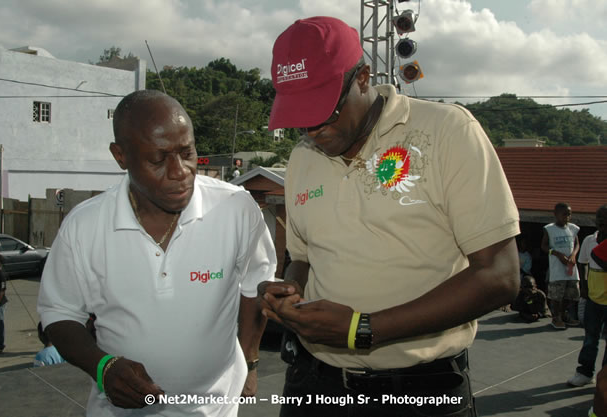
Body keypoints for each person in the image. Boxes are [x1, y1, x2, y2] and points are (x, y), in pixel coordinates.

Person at [260, 16, 520, 417]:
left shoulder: (447, 131)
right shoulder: (301, 159)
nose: (313, 130)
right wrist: (288, 293)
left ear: (363, 77)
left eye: (324, 110)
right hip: (313, 385)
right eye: (299, 115)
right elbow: (304, 259)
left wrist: (365, 328)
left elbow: (499, 276)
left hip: (420, 390)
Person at [37, 90, 276, 416]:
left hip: (214, 409)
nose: (180, 171)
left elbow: (255, 287)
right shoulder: (84, 226)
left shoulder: (235, 209)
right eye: (158, 159)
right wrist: (102, 367)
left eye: (187, 152)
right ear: (120, 156)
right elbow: (59, 314)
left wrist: (250, 363)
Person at [567, 205, 607, 387]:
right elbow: (582, 264)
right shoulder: (590, 240)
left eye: (605, 218)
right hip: (593, 298)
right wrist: (584, 287)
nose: (601, 221)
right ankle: (584, 372)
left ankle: (604, 378)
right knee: (591, 337)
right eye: (599, 217)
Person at [542, 202, 581, 329]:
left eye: (569, 214)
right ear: (556, 214)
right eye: (564, 214)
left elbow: (576, 244)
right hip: (557, 269)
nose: (567, 217)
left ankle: (564, 314)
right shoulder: (550, 229)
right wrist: (557, 254)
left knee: (571, 295)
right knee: (557, 295)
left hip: (571, 267)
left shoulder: (573, 228)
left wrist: (574, 255)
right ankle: (556, 317)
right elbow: (544, 246)